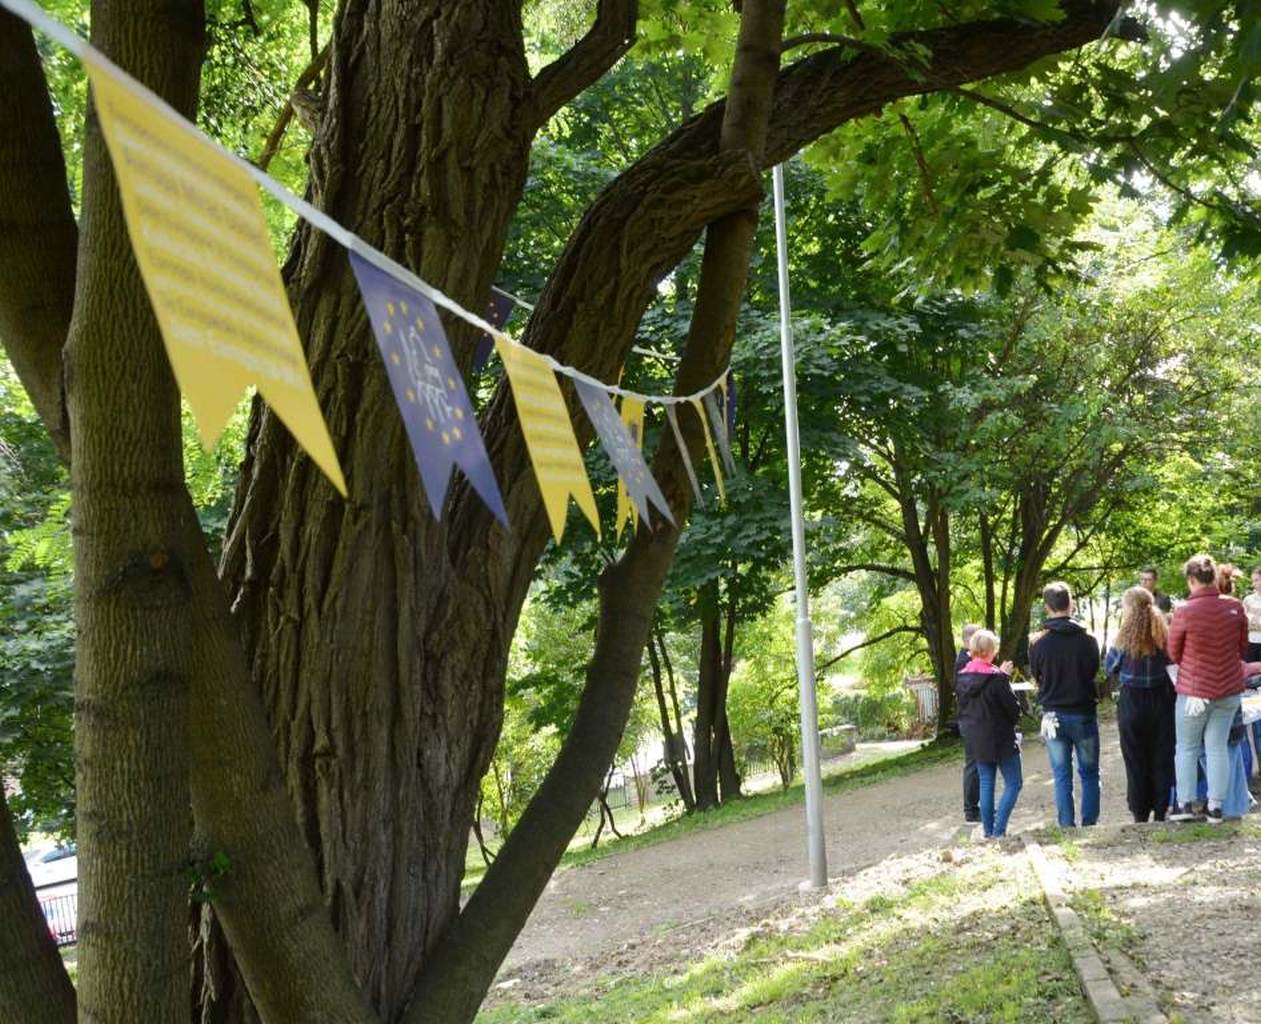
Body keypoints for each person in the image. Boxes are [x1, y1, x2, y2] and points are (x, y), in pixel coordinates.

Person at [1168, 553, 1247, 823]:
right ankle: (1215, 808)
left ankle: (1185, 805)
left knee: (1187, 747)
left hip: (1193, 692)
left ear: (1191, 580)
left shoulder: (1184, 611)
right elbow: (1242, 648)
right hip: (1228, 689)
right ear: (1214, 578)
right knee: (1217, 748)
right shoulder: (1235, 607)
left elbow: (1173, 652)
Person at [1029, 581, 1102, 828]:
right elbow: (1093, 672)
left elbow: (1037, 677)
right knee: (1090, 772)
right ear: (1070, 604)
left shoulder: (1038, 643)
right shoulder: (1088, 640)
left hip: (1053, 715)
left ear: (1047, 607)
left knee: (1061, 775)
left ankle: (1066, 824)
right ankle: (1090, 822)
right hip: (1083, 711)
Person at [1105, 587, 1175, 822]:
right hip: (1162, 700)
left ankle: (1139, 811)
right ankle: (1161, 808)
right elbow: (1173, 663)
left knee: (1135, 758)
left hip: (1132, 701)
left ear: (1129, 608)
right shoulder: (1162, 634)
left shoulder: (1123, 638)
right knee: (1162, 755)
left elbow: (1110, 666)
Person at [955, 630, 1022, 838]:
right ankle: (999, 829)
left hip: (976, 738)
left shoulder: (961, 677)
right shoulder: (997, 678)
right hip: (1000, 737)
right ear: (992, 651)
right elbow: (1013, 710)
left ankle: (988, 831)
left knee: (986, 783)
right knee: (1014, 782)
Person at [956, 624, 982, 823]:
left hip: (973, 718)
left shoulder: (969, 659)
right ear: (969, 640)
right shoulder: (965, 661)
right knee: (973, 764)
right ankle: (971, 810)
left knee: (976, 763)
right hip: (971, 720)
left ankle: (975, 808)